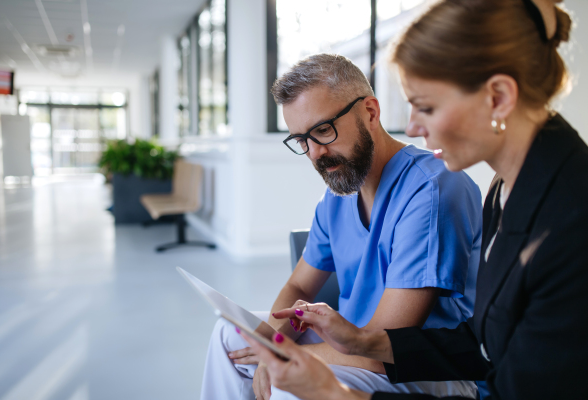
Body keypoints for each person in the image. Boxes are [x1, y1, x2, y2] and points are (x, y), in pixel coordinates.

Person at [237, 0, 588, 399]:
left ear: (497, 97)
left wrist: (337, 394)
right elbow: (480, 341)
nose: (414, 127)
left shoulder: (570, 226)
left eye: (426, 107)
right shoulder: (505, 190)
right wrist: (360, 341)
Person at [200, 54, 483, 399]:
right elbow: (300, 285)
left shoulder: (433, 189)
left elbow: (386, 344)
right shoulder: (337, 195)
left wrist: (282, 357)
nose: (315, 153)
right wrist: (273, 343)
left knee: (290, 384)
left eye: (323, 130)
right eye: (302, 140)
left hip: (426, 368)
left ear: (371, 112)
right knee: (229, 335)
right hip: (352, 346)